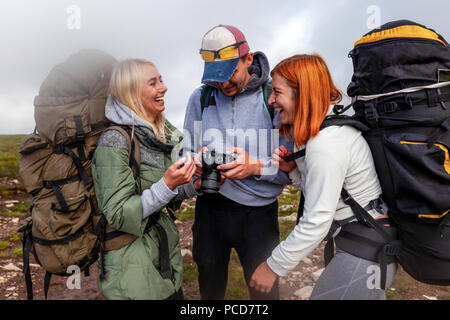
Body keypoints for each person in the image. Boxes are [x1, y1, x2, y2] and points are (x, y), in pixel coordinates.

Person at [249, 54, 398, 300]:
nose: (272, 100)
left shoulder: (326, 143)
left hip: (364, 253)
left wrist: (271, 267)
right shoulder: (325, 132)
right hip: (369, 246)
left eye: (277, 92)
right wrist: (294, 172)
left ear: (302, 93)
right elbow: (330, 193)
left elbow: (316, 220)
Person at [182, 25, 292, 300]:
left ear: (249, 59)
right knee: (209, 288)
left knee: (264, 292)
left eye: (230, 73)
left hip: (259, 214)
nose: (223, 84)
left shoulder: (273, 98)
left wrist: (255, 167)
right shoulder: (201, 97)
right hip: (210, 207)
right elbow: (186, 151)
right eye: (215, 77)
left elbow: (291, 169)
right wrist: (196, 169)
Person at [92, 59, 201, 300]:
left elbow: (164, 199)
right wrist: (168, 184)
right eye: (153, 83)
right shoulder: (114, 141)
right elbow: (119, 213)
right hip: (132, 271)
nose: (164, 87)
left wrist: (193, 185)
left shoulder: (155, 135)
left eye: (161, 80)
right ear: (131, 93)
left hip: (159, 261)